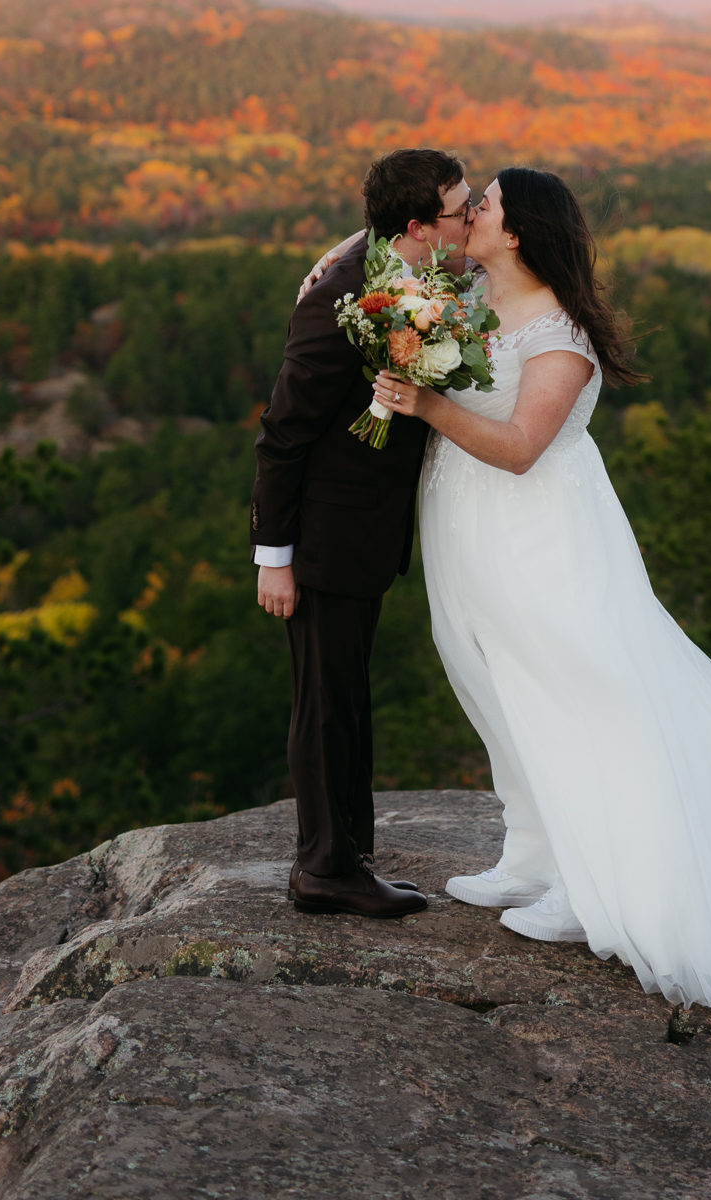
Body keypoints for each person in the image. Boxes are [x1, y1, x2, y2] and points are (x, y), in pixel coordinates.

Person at [369, 165, 711, 1070]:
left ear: (518, 231)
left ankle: (590, 887)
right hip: (463, 528)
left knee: (572, 691)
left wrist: (425, 400)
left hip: (539, 537)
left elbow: (517, 447)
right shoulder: (459, 298)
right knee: (489, 682)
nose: (473, 212)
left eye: (489, 204)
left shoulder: (559, 334)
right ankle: (531, 849)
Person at [250, 146, 474, 918]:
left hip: (366, 534)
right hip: (323, 539)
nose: (471, 216)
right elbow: (280, 434)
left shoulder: (395, 263)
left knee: (347, 695)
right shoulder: (336, 300)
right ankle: (322, 870)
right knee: (323, 702)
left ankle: (350, 850)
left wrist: (350, 240)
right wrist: (273, 558)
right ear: (419, 225)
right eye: (460, 208)